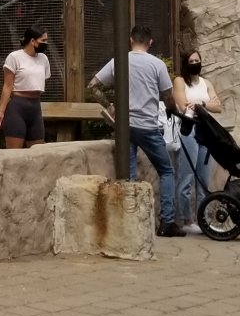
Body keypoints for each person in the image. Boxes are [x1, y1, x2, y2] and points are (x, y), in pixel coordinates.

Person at [90, 24, 182, 237]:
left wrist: (111, 106)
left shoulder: (118, 61)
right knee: (166, 171)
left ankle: (127, 223)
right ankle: (167, 222)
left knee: (128, 175)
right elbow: (168, 96)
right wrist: (173, 112)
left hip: (124, 126)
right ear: (150, 42)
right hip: (148, 127)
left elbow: (93, 86)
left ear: (131, 40)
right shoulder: (157, 64)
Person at [171, 50, 222, 233]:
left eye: (197, 60)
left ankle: (203, 220)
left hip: (205, 131)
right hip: (188, 129)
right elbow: (183, 103)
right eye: (191, 61)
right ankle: (185, 219)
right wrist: (199, 106)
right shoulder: (179, 81)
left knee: (203, 178)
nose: (195, 63)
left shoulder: (205, 83)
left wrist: (201, 105)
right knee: (186, 176)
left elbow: (218, 105)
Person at [0, 27, 51, 149]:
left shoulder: (43, 58)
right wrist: (1, 112)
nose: (46, 44)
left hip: (35, 107)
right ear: (33, 41)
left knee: (39, 154)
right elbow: (7, 85)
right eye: (43, 40)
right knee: (14, 155)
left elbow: (43, 80)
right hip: (18, 107)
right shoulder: (14, 57)